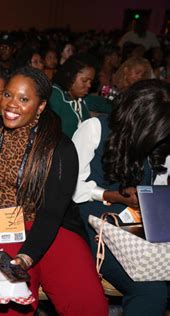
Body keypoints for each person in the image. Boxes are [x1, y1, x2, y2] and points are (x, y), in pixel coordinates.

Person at [0, 67, 108, 315]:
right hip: (0, 223)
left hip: (52, 226)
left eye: (24, 99)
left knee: (89, 306)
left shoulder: (60, 147)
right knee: (11, 306)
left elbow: (53, 212)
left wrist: (27, 256)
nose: (11, 105)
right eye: (8, 95)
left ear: (41, 105)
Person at [72, 79, 170, 316]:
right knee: (151, 290)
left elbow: (159, 189)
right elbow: (70, 188)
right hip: (94, 223)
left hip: (138, 226)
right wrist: (112, 195)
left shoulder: (160, 142)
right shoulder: (95, 129)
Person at [49, 54, 111, 138]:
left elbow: (106, 104)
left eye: (90, 82)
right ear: (69, 76)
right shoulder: (55, 96)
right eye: (84, 80)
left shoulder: (81, 98)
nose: (89, 85)